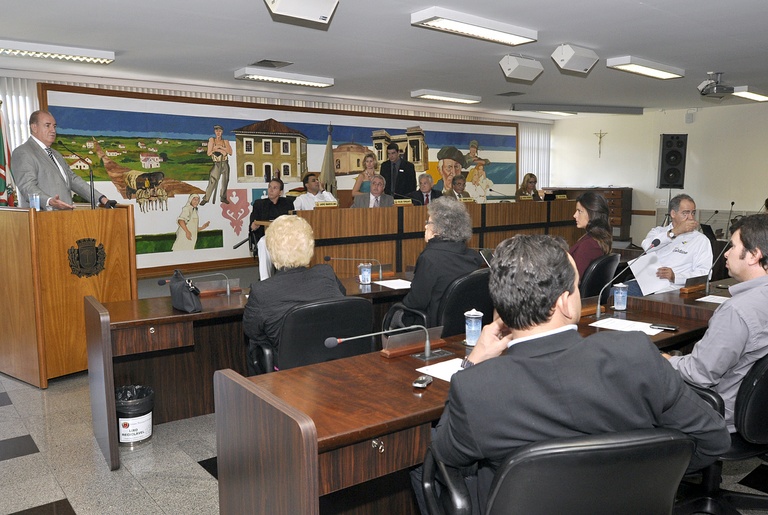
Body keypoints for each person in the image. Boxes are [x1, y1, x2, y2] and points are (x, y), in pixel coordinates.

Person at [427, 234, 729, 512]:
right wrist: (654, 476)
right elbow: (713, 438)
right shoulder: (636, 354)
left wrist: (473, 361)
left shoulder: (477, 387)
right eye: (576, 286)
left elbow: (444, 451)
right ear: (564, 302)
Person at [664, 213, 768, 432]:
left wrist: (665, 359)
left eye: (732, 247)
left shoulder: (737, 311)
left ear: (753, 256)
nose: (726, 254)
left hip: (721, 413)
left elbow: (699, 375)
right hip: (758, 413)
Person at [242, 215, 346, 375]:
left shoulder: (261, 291)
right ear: (309, 245)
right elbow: (342, 303)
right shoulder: (327, 274)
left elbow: (252, 332)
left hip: (289, 376)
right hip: (334, 366)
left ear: (271, 250)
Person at [396, 197, 483, 327]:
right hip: (463, 325)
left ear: (439, 229)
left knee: (393, 315)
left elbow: (416, 302)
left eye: (429, 222)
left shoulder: (430, 258)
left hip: (433, 327)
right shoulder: (474, 257)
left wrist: (400, 303)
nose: (425, 226)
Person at [13, 110, 114, 210]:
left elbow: (73, 179)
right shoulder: (23, 152)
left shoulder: (55, 154)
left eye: (54, 126)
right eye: (47, 125)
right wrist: (49, 201)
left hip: (64, 217)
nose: (53, 130)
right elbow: (27, 186)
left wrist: (101, 199)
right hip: (43, 218)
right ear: (34, 127)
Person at [629, 193, 712, 295]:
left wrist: (676, 276)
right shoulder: (658, 232)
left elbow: (705, 274)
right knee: (615, 293)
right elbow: (647, 247)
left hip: (674, 288)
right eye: (685, 213)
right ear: (673, 213)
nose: (691, 218)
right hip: (645, 283)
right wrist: (675, 232)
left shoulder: (701, 240)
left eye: (693, 213)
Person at [249, 178, 295, 280]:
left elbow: (292, 221)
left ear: (281, 192)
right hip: (267, 236)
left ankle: (288, 279)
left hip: (284, 237)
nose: (271, 190)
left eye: (275, 188)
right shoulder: (259, 204)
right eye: (269, 187)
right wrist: (253, 226)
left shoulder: (288, 203)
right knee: (262, 242)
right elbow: (253, 222)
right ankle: (265, 279)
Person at [569, 191, 612, 279]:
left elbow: (575, 280)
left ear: (592, 214)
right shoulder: (598, 239)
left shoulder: (588, 245)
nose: (574, 215)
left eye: (579, 211)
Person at [200, 124, 232, 206]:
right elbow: (209, 153)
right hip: (217, 163)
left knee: (225, 180)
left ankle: (223, 197)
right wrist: (219, 149)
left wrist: (220, 148)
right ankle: (206, 198)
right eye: (217, 131)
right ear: (214, 131)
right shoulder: (212, 140)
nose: (218, 132)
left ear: (222, 132)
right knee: (213, 180)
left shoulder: (225, 141)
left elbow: (230, 152)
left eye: (220, 131)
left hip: (224, 163)